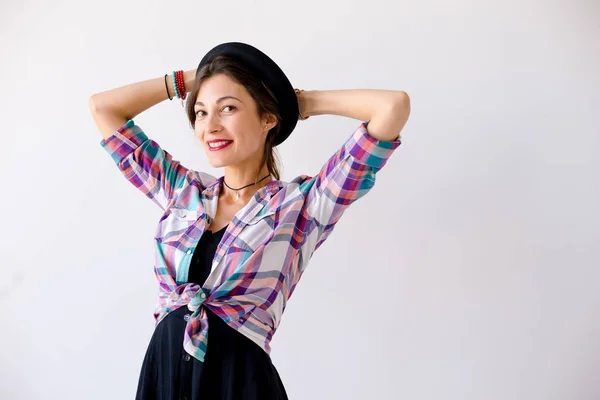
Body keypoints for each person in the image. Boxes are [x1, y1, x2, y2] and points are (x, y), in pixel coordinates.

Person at [89, 42, 410, 400]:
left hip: (240, 382)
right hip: (165, 375)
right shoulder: (183, 190)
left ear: (267, 117)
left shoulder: (303, 206)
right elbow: (104, 108)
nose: (210, 126)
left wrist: (296, 103)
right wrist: (199, 75)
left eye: (228, 108)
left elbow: (392, 106)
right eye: (200, 112)